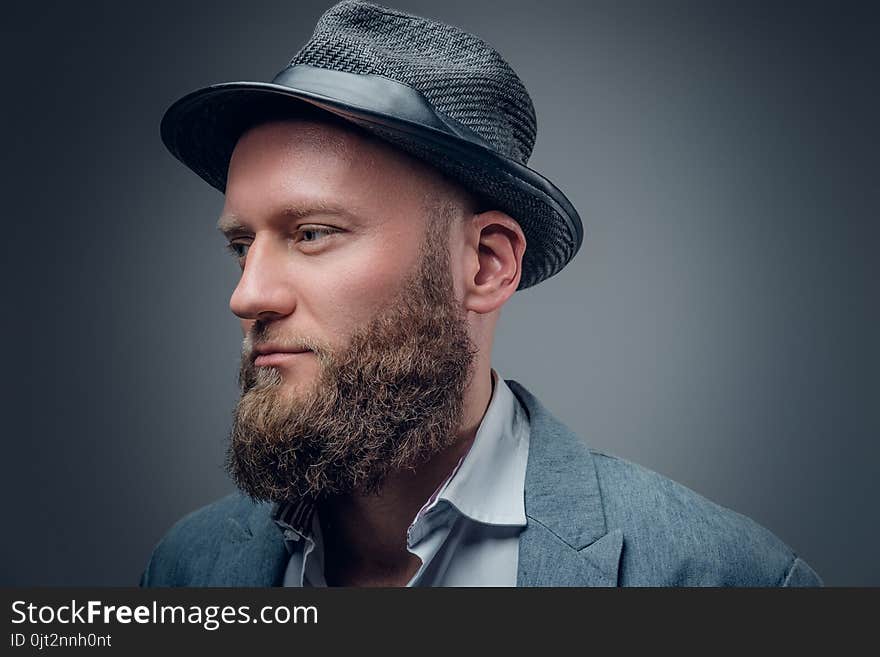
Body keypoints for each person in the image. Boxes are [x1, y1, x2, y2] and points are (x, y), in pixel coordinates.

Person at [141, 0, 822, 587]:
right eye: (241, 246)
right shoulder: (184, 568)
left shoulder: (720, 579)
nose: (248, 294)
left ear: (488, 263)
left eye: (313, 233)